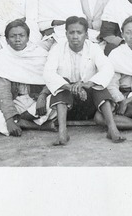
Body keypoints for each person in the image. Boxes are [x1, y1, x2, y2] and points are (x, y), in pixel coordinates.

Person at [43, 16, 124, 145]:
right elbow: (48, 73)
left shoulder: (93, 48)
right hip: (67, 104)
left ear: (86, 35)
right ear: (66, 34)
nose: (75, 36)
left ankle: (112, 128)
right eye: (71, 32)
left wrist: (88, 84)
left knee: (99, 85)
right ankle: (62, 132)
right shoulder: (57, 49)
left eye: (79, 32)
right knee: (61, 83)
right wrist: (70, 87)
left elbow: (107, 68)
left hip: (89, 101)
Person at [0, 20, 53, 137]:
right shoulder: (2, 56)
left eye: (22, 36)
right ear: (7, 40)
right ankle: (36, 126)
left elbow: (51, 80)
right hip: (16, 104)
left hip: (37, 103)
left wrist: (42, 96)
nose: (18, 39)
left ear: (28, 37)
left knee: (57, 99)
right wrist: (9, 119)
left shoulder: (40, 54)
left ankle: (19, 123)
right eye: (13, 36)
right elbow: (4, 92)